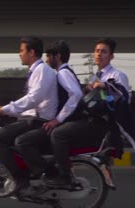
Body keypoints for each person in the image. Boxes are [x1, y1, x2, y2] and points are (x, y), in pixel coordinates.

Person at [0, 36, 58, 197]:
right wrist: (4, 110)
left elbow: (33, 99)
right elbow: (29, 103)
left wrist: (4, 110)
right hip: (32, 118)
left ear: (32, 52)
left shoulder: (42, 71)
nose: (19, 54)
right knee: (3, 135)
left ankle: (21, 181)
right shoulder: (36, 71)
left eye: (21, 50)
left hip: (38, 121)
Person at [14, 40, 88, 188]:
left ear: (57, 56)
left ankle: (58, 175)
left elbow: (76, 94)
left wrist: (58, 119)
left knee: (28, 140)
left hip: (71, 120)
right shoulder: (60, 73)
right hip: (68, 119)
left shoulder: (63, 73)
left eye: (49, 56)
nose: (46, 60)